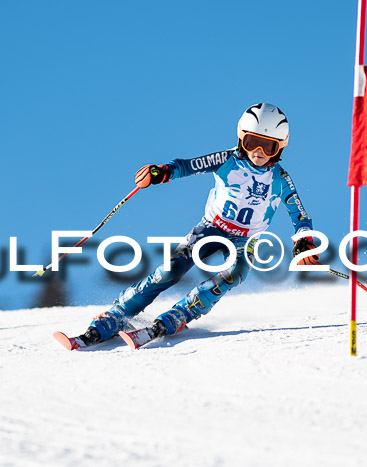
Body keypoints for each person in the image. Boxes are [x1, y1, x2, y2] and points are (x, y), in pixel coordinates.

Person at [54, 103, 319, 350]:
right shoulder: (227, 160)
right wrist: (162, 172)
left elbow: (300, 216)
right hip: (211, 228)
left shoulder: (281, 179)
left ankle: (181, 314)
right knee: (170, 270)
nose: (258, 153)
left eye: (268, 147)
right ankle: (116, 315)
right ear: (241, 138)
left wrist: (303, 242)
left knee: (234, 274)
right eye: (252, 143)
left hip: (246, 239)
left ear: (280, 148)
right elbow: (188, 166)